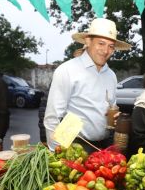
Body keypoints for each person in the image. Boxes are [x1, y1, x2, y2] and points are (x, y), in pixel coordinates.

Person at [44, 18, 131, 152]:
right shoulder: (67, 70)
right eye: (101, 43)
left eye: (111, 46)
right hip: (73, 146)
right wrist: (57, 154)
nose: (106, 50)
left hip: (104, 146)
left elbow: (109, 109)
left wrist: (114, 118)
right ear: (88, 41)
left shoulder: (111, 76)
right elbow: (52, 118)